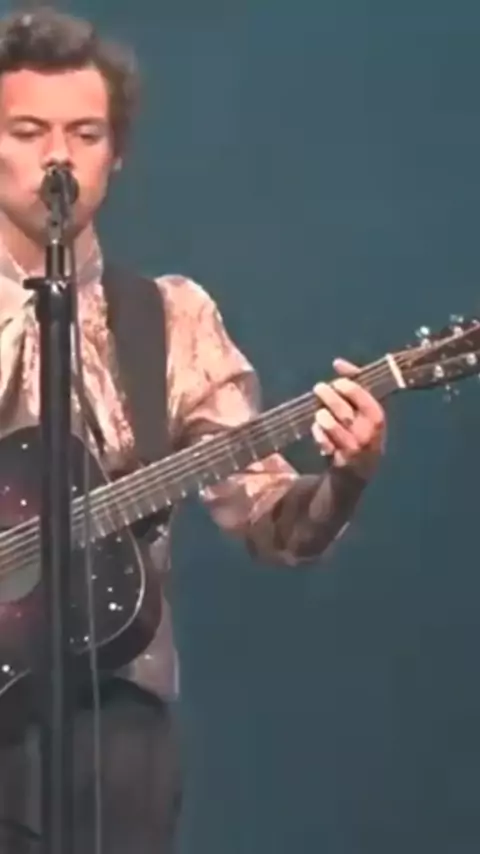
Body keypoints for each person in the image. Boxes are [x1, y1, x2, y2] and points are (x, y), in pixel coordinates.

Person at [0, 7, 386, 854]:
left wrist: (345, 477)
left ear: (116, 153)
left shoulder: (169, 320)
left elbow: (271, 521)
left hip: (114, 726)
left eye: (85, 134)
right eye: (28, 132)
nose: (58, 157)